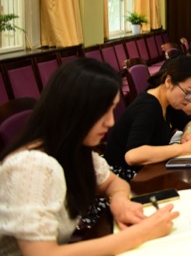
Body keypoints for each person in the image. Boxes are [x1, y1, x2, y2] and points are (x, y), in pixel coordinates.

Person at [0, 58, 177, 255]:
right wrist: (142, 233)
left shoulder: (74, 149)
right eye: (103, 111)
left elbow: (114, 183)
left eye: (112, 110)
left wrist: (119, 201)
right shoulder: (31, 166)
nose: (111, 122)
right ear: (74, 109)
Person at [104, 55, 191, 177]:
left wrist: (189, 132)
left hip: (148, 170)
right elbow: (132, 155)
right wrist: (183, 149)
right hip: (123, 175)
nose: (190, 99)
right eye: (188, 92)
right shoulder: (148, 107)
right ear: (169, 82)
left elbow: (190, 122)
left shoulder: (168, 102)